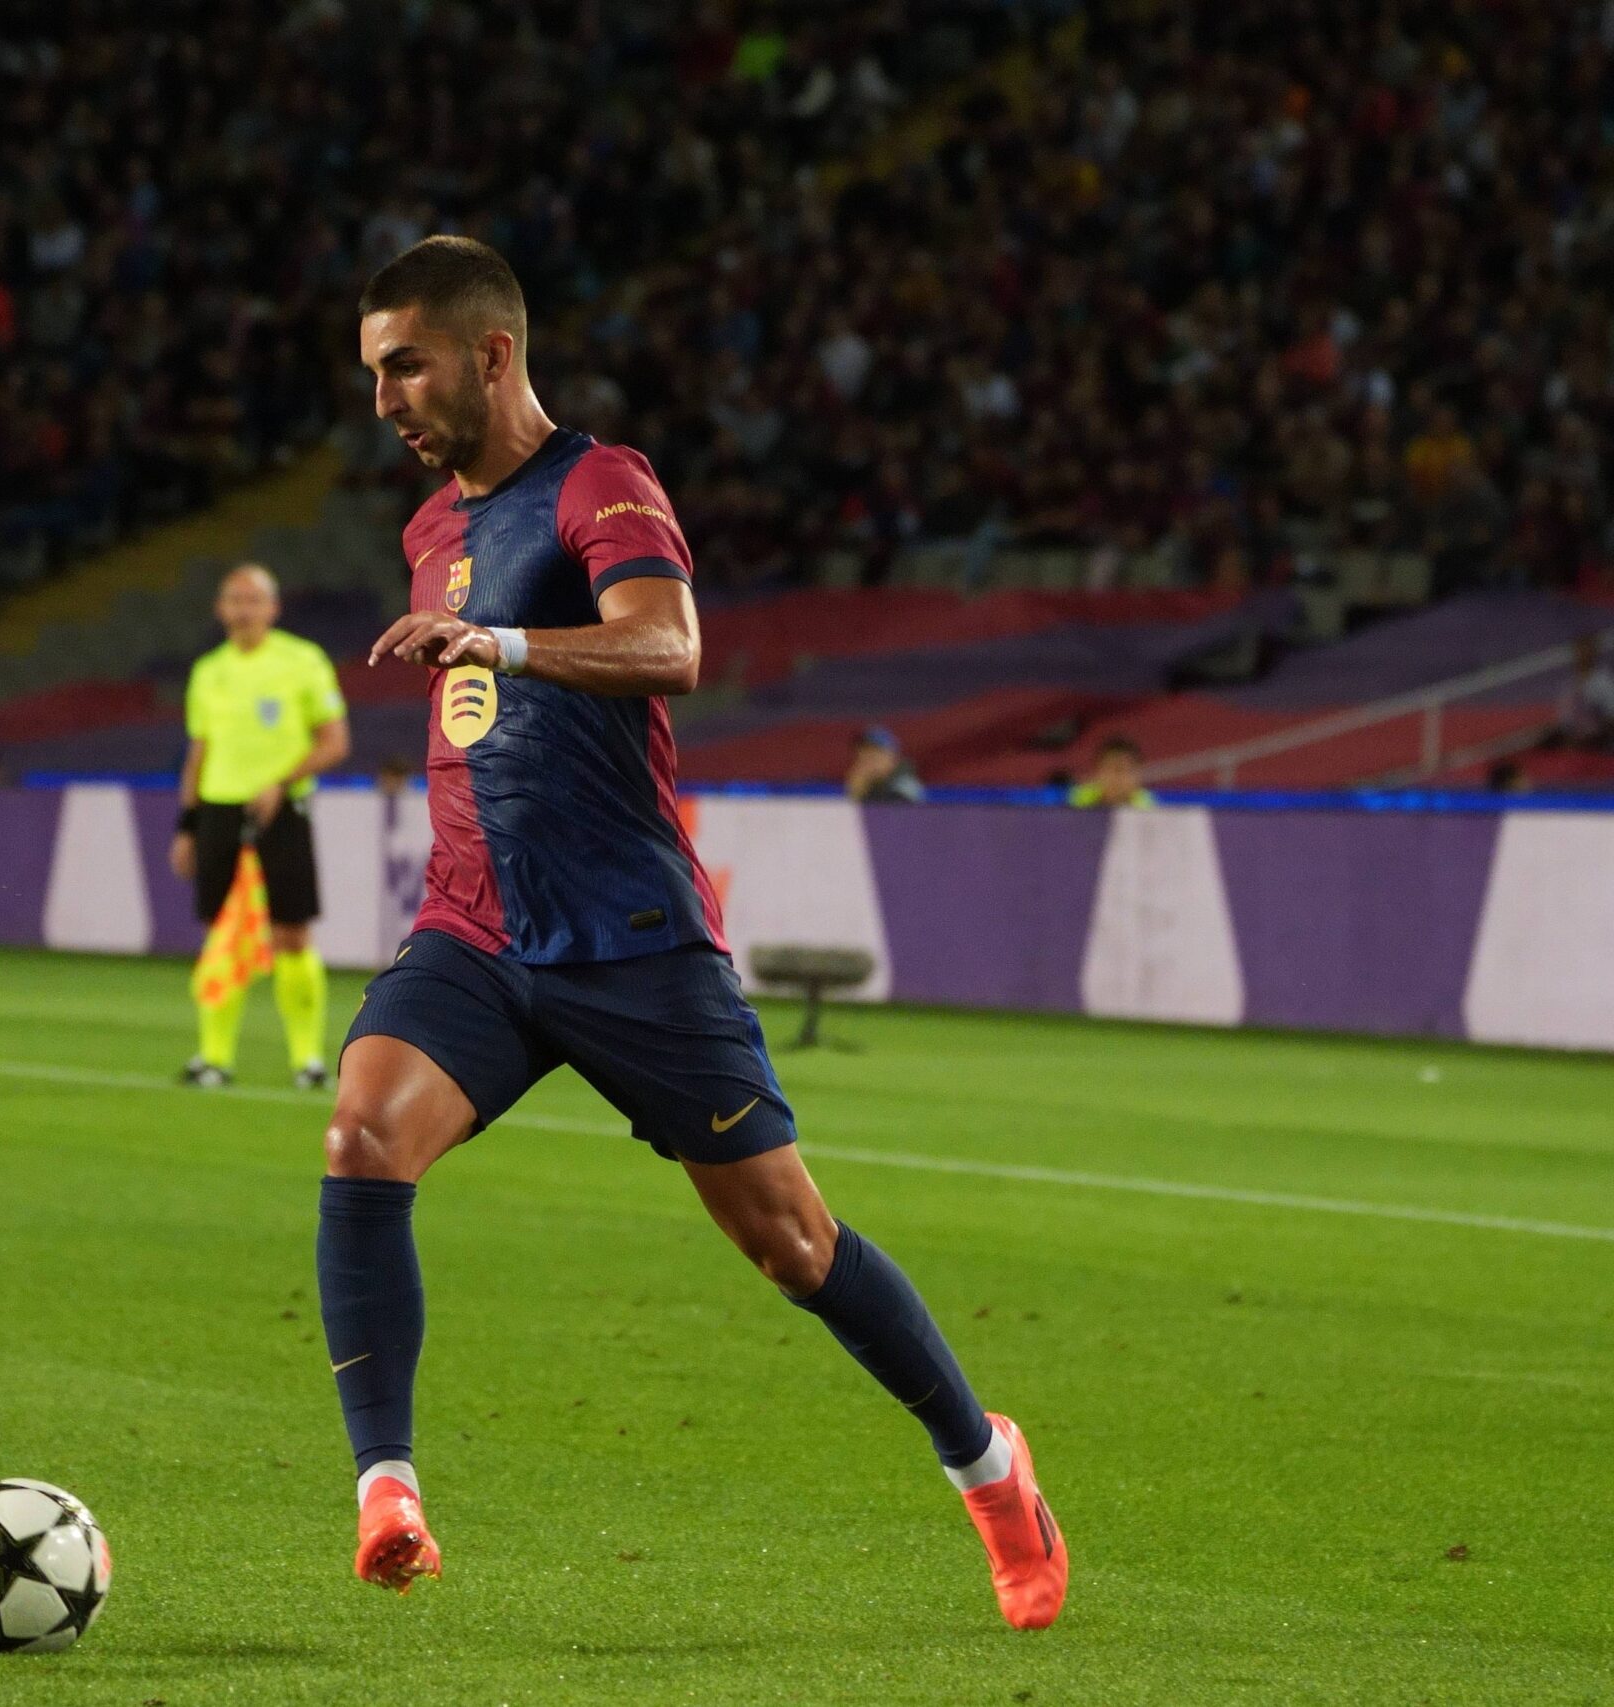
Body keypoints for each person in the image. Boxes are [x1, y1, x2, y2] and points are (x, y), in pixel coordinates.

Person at [322, 236, 1065, 1627]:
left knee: (790, 1239)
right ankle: (389, 1487)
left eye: (404, 364)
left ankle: (987, 1459)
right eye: (373, 372)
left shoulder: (605, 482)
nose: (385, 400)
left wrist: (504, 647)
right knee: (361, 1131)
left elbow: (671, 650)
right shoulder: (433, 530)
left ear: (492, 352)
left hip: (629, 938)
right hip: (477, 930)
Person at [169, 564, 352, 1089]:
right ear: (220, 608)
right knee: (219, 933)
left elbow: (334, 744)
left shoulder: (302, 661)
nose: (244, 607)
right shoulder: (208, 670)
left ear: (274, 608)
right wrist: (186, 825)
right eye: (234, 598)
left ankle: (309, 1061)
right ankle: (213, 1058)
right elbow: (197, 754)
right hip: (218, 810)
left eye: (254, 599)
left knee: (290, 934)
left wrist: (280, 780)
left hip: (284, 807)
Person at [1068, 734, 1156, 808]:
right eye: (1110, 769)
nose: (1117, 778)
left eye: (1124, 770)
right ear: (1098, 773)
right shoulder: (1077, 801)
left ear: (1137, 775)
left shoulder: (1148, 809)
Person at [844, 724, 925, 802]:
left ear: (892, 758)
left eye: (873, 757)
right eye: (861, 758)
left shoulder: (906, 785)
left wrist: (859, 794)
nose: (867, 764)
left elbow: (894, 812)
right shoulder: (871, 785)